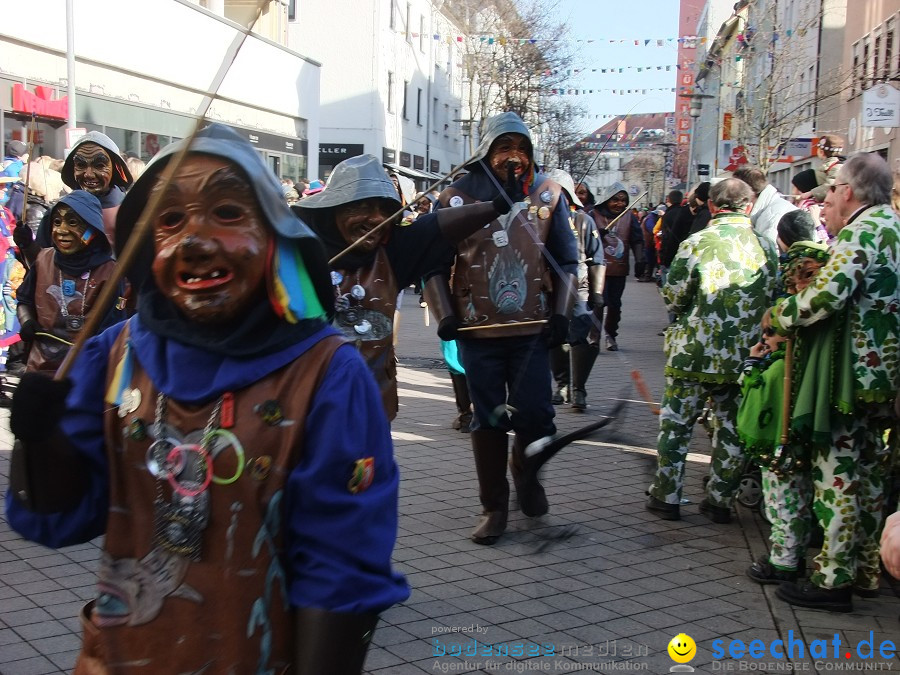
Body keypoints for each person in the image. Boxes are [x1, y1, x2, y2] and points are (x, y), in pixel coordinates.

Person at [5, 124, 409, 672]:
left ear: (273, 233)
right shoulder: (116, 355)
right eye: (170, 220)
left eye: (226, 212)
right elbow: (58, 517)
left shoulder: (328, 375)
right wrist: (38, 439)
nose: (194, 240)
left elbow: (342, 573)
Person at [424, 111, 578, 545]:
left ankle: (526, 476)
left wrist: (563, 313)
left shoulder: (548, 195)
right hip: (478, 330)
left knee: (537, 416)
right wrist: (445, 315)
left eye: (521, 149)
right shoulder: (454, 197)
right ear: (486, 152)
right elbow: (433, 264)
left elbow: (566, 258)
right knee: (488, 420)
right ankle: (493, 505)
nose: (513, 157)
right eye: (504, 148)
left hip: (532, 328)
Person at [293, 153, 516, 422]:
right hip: (308, 408)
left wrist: (496, 206)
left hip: (372, 407)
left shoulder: (393, 252)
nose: (377, 219)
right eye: (363, 205)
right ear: (335, 208)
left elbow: (436, 227)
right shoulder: (299, 251)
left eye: (385, 209)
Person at [770, 153, 900, 613]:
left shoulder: (863, 231)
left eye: (833, 189)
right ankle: (866, 570)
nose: (828, 198)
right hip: (883, 374)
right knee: (867, 476)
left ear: (849, 190)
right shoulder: (894, 225)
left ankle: (832, 579)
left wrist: (781, 315)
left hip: (851, 374)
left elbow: (825, 296)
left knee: (837, 474)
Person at [646, 178, 778, 523]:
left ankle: (667, 496)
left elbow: (673, 294)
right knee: (733, 427)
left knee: (676, 425)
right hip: (743, 356)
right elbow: (775, 297)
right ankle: (720, 500)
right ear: (748, 206)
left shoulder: (697, 242)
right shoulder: (766, 246)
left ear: (712, 205)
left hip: (693, 351)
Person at [16, 191, 124, 373]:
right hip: (40, 369)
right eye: (57, 222)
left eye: (72, 222)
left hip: (86, 372)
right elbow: (24, 300)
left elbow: (115, 328)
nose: (62, 230)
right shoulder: (43, 260)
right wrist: (27, 321)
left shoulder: (110, 271)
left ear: (92, 228)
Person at [546, 168, 605, 410]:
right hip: (549, 287)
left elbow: (598, 257)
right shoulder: (539, 218)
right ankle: (561, 384)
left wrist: (598, 293)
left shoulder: (583, 220)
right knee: (555, 338)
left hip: (579, 286)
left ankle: (579, 389)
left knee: (581, 338)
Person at [589, 182, 643, 351]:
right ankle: (594, 337)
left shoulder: (629, 217)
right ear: (606, 199)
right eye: (615, 200)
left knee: (614, 305)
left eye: (623, 200)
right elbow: (582, 236)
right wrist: (597, 234)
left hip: (618, 269)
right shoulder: (593, 215)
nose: (619, 204)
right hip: (597, 268)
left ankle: (611, 335)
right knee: (598, 303)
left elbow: (637, 239)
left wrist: (641, 260)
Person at [733, 166, 797, 244]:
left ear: (749, 193)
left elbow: (769, 253)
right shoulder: (769, 208)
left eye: (736, 193)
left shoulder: (771, 217)